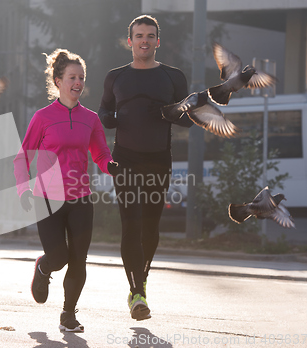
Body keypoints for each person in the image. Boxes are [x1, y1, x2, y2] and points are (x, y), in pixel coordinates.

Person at [14, 49, 119, 332]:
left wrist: (113, 167)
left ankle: (68, 314)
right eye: (72, 77)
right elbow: (23, 156)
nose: (78, 82)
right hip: (47, 199)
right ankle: (43, 267)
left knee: (79, 259)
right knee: (59, 257)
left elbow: (101, 155)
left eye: (81, 77)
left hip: (81, 197)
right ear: (58, 81)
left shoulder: (90, 119)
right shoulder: (43, 117)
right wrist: (23, 189)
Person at [98, 15, 194, 321]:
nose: (144, 41)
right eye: (139, 36)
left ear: (157, 41)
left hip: (158, 159)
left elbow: (186, 117)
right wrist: (108, 119)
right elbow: (103, 108)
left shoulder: (173, 77)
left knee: (150, 229)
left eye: (150, 36)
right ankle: (137, 292)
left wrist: (168, 114)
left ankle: (142, 279)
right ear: (130, 41)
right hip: (124, 159)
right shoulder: (115, 77)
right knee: (131, 224)